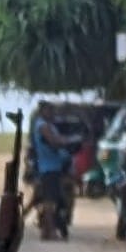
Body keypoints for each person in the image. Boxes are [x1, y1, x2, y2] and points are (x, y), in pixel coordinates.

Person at [30, 102, 75, 240]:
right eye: (49, 110)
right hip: (48, 167)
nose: (52, 113)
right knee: (50, 202)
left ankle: (46, 231)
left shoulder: (48, 125)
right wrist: (67, 141)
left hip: (54, 166)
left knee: (52, 200)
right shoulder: (42, 125)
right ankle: (51, 232)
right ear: (42, 111)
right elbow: (53, 141)